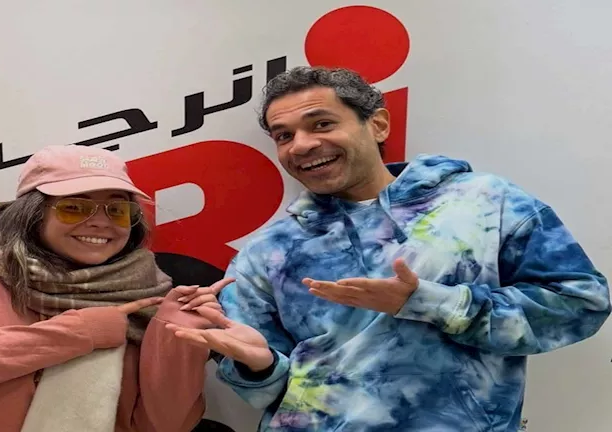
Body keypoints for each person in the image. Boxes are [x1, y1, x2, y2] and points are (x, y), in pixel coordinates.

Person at [166, 66, 612, 431]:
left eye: (322, 124)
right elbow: (264, 391)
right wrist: (259, 366)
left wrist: (433, 303)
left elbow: (581, 302)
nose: (301, 145)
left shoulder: (484, 202)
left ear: (377, 124)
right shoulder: (266, 252)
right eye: (284, 136)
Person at [0, 144, 232, 432]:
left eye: (117, 209)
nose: (100, 222)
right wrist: (82, 332)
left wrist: (177, 339)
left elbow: (163, 426)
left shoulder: (147, 293)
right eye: (74, 207)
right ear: (32, 213)